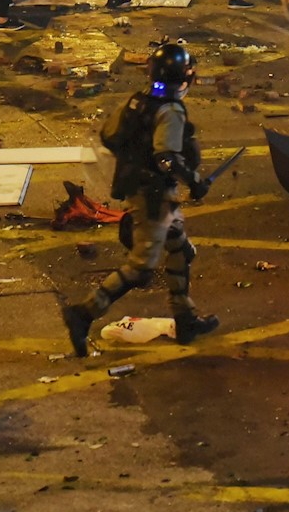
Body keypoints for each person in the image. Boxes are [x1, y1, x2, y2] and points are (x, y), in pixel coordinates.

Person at [60, 44, 220, 354]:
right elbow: (167, 158)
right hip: (153, 197)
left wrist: (136, 158)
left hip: (153, 193)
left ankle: (185, 319)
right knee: (141, 268)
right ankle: (83, 313)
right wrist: (196, 182)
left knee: (179, 251)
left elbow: (109, 136)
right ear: (185, 77)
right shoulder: (171, 110)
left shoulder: (138, 102)